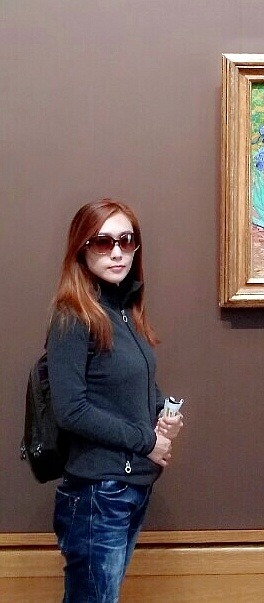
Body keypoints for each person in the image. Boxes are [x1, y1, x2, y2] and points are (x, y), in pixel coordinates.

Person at [46, 199, 183, 602]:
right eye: (104, 242)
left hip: (130, 488)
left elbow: (133, 384)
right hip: (97, 493)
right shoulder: (73, 315)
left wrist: (163, 412)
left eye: (127, 240)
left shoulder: (125, 311)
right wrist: (147, 441)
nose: (118, 252)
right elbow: (70, 410)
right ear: (82, 248)